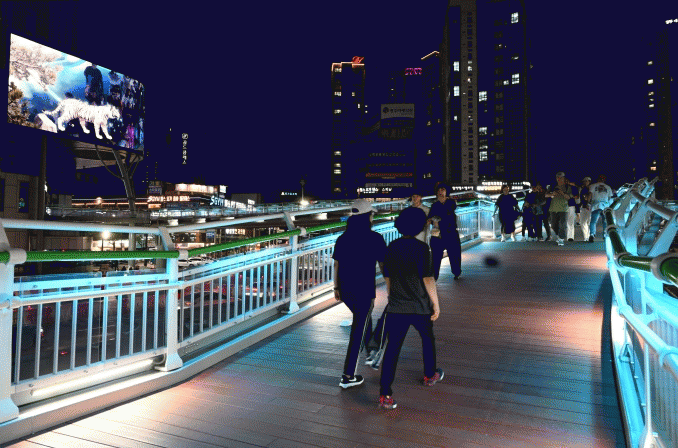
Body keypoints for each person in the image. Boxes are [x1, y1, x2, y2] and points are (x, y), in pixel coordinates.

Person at [378, 207, 443, 410]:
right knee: (427, 339)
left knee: (392, 349)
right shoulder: (422, 248)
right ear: (419, 226)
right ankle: (430, 374)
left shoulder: (392, 247)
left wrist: (392, 297)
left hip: (397, 306)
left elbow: (387, 277)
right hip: (419, 305)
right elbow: (428, 279)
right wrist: (436, 304)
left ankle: (385, 394)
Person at [333, 198, 387, 389]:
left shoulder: (342, 238)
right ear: (368, 216)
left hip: (345, 290)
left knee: (362, 319)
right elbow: (384, 265)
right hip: (364, 290)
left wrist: (336, 288)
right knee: (358, 330)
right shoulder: (375, 238)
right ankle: (348, 376)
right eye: (371, 214)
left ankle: (371, 349)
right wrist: (391, 285)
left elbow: (336, 264)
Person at [428, 183, 462, 280]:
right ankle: (434, 277)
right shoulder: (434, 205)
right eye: (439, 190)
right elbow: (430, 218)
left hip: (450, 234)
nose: (440, 192)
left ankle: (456, 272)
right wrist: (433, 220)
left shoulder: (451, 203)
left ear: (446, 192)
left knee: (454, 254)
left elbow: (448, 214)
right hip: (438, 234)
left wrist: (437, 219)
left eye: (442, 190)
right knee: (435, 257)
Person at [546, 172, 573, 246]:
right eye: (557, 177)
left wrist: (562, 193)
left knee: (563, 224)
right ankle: (559, 235)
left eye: (560, 177)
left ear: (564, 178)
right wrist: (552, 194)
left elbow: (569, 197)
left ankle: (561, 239)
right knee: (553, 225)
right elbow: (546, 195)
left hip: (564, 208)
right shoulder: (552, 186)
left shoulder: (567, 187)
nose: (559, 179)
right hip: (553, 208)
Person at [589, 175, 614, 242]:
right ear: (604, 180)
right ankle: (605, 235)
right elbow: (609, 198)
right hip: (605, 206)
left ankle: (592, 234)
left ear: (598, 179)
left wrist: (588, 203)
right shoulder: (608, 187)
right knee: (605, 222)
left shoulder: (592, 186)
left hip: (595, 205)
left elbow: (590, 195)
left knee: (593, 221)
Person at [579, 177, 592, 242]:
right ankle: (586, 236)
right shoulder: (583, 189)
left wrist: (587, 203)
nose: (585, 182)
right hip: (584, 206)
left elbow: (588, 197)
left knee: (586, 222)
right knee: (584, 222)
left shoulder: (590, 189)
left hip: (588, 206)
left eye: (586, 181)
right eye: (584, 181)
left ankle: (588, 236)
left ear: (589, 181)